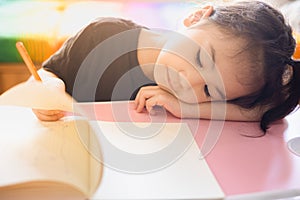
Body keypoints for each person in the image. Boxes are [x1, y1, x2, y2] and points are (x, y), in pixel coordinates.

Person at [30, 0, 300, 132]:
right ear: (196, 16)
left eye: (209, 90)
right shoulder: (102, 36)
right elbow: (47, 73)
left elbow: (266, 111)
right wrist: (49, 88)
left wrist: (187, 107)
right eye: (199, 58)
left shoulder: (189, 97)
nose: (187, 81)